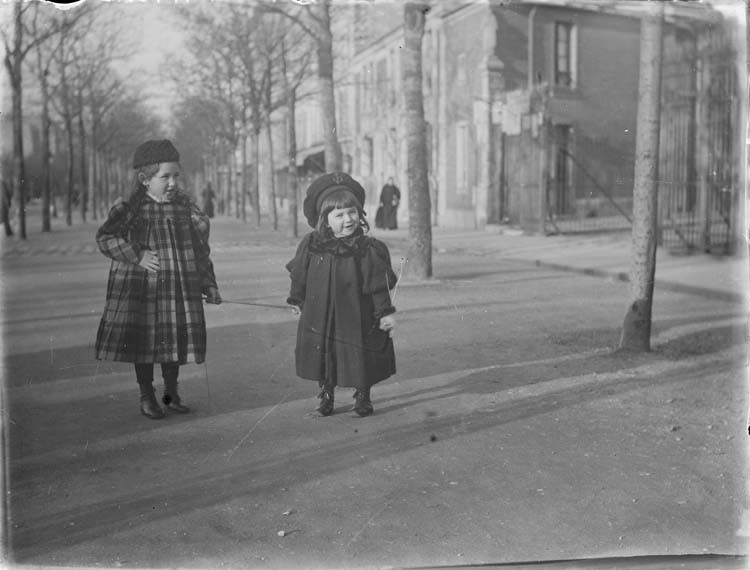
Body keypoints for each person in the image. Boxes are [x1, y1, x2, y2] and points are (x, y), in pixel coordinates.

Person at [95, 139, 222, 420]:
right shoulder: (129, 210)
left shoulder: (185, 211)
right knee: (145, 343)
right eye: (164, 177)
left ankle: (171, 392)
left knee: (172, 340)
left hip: (178, 289)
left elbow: (201, 253)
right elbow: (104, 239)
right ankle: (146, 394)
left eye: (176, 175)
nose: (172, 183)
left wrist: (209, 284)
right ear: (144, 179)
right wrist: (135, 255)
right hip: (142, 289)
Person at [286, 172, 397, 417]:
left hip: (357, 315)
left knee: (360, 355)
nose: (348, 219)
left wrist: (385, 312)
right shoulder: (311, 246)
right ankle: (326, 395)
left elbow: (378, 285)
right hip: (321, 314)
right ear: (325, 220)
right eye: (339, 215)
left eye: (353, 212)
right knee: (324, 354)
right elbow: (299, 276)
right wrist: (296, 299)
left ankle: (363, 396)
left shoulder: (367, 249)